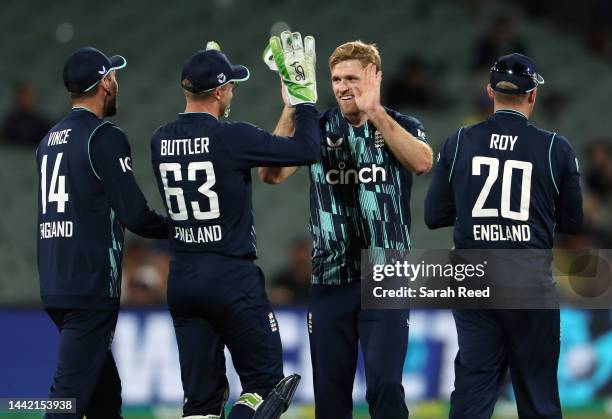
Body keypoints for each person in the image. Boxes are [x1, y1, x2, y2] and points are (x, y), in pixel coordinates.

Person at [260, 38, 433, 419]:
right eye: (336, 79)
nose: (342, 87)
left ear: (375, 78)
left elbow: (422, 162)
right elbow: (271, 174)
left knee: (386, 387)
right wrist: (292, 106)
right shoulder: (318, 128)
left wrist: (376, 113)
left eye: (352, 78)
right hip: (329, 280)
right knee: (330, 398)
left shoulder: (402, 125)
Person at [149, 37, 319, 419]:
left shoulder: (159, 139)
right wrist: (303, 100)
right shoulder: (232, 136)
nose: (232, 94)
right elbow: (308, 150)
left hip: (183, 278)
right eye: (231, 86)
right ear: (221, 90)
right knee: (266, 385)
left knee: (200, 402)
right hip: (230, 276)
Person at [425, 53, 583, 418]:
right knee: (537, 392)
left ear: (489, 92)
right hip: (528, 280)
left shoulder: (459, 140)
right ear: (533, 96)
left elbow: (434, 216)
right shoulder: (554, 147)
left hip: (473, 277)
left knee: (473, 388)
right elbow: (572, 221)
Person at [36, 47, 168, 418]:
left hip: (56, 282)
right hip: (90, 286)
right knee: (66, 401)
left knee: (105, 399)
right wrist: (183, 226)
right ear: (104, 83)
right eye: (113, 76)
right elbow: (136, 215)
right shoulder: (104, 137)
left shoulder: (49, 140)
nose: (117, 82)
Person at [1, 80, 52, 147]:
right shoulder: (10, 122)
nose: (25, 99)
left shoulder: (41, 122)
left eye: (27, 95)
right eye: (22, 95)